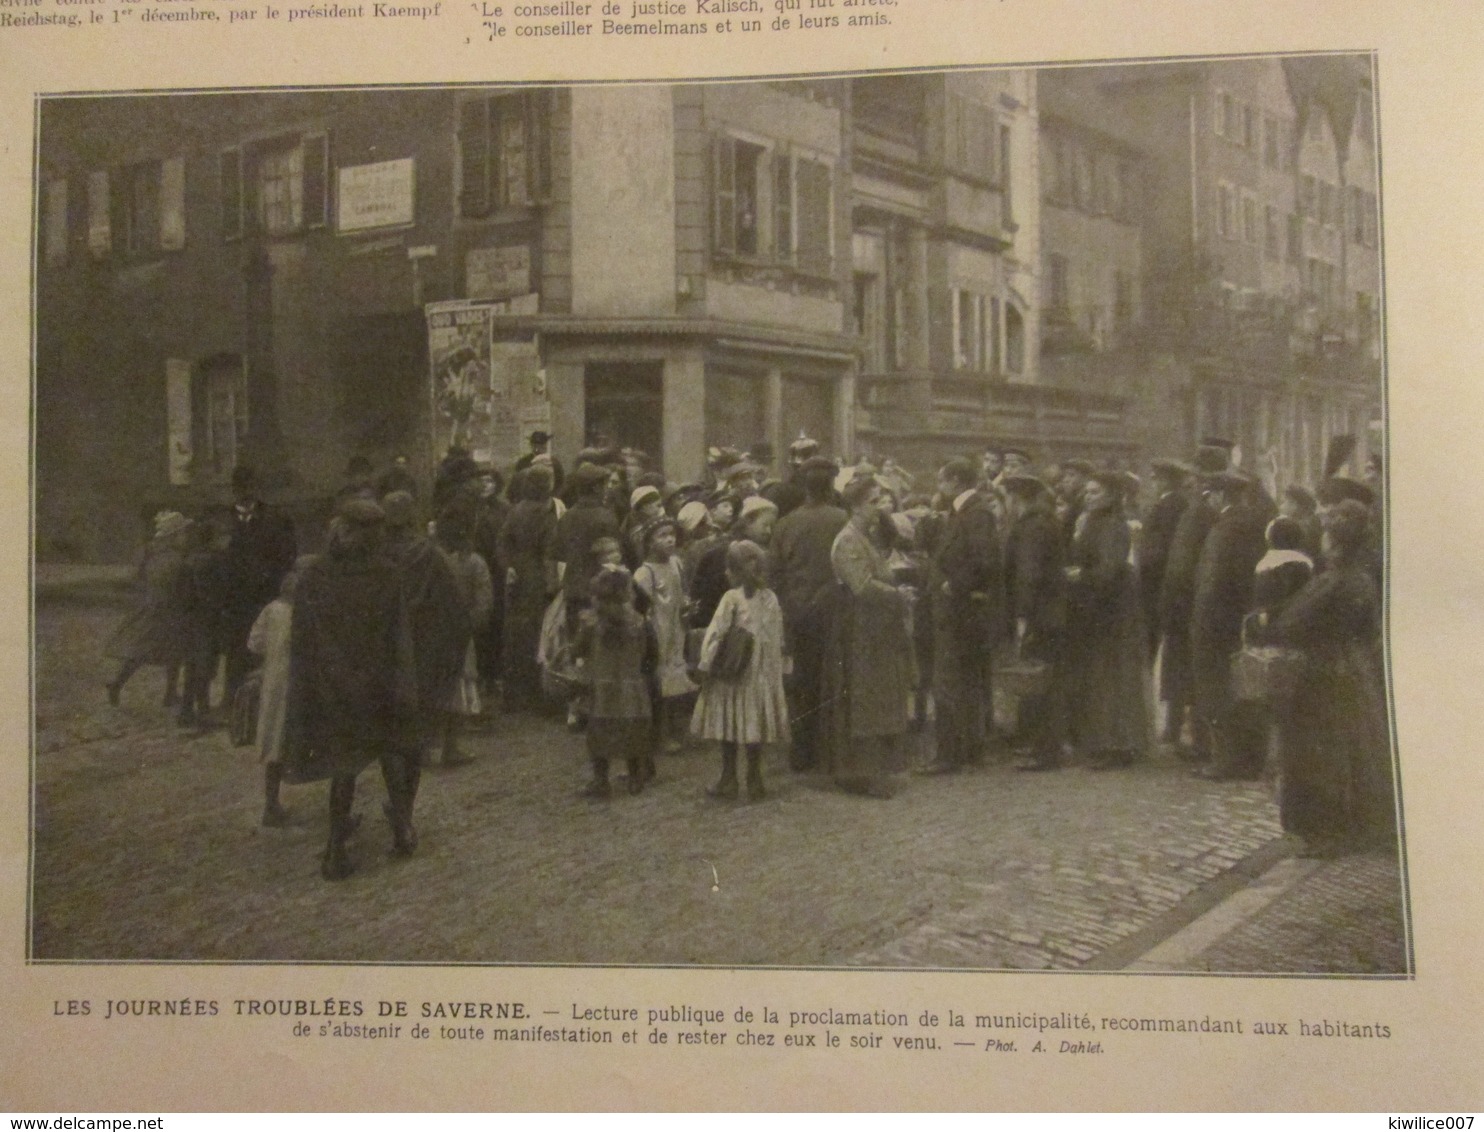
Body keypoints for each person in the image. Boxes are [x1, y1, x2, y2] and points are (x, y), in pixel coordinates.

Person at [282, 499, 418, 881]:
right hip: (380, 682)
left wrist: (310, 684)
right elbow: (399, 635)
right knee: (391, 752)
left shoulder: (315, 575)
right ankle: (404, 830)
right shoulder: (389, 574)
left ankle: (335, 851)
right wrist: (403, 683)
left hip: (334, 686)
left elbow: (303, 639)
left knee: (344, 768)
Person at [1251, 500, 1395, 857]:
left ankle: (1331, 831)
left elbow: (1292, 624)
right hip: (1353, 670)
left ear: (1335, 542)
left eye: (1327, 535)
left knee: (1322, 754)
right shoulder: (1360, 578)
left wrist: (1261, 624)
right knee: (1357, 748)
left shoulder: (1332, 581)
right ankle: (1361, 824)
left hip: (1323, 675)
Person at [821, 473, 914, 798]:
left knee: (876, 697)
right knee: (864, 699)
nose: (879, 508)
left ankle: (873, 771)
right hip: (858, 631)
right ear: (857, 507)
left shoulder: (865, 537)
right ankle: (861, 773)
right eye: (873, 502)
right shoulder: (847, 540)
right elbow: (861, 585)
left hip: (873, 629)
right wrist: (898, 594)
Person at [920, 458, 1002, 774]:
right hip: (958, 611)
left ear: (954, 481)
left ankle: (950, 754)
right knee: (962, 681)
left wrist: (953, 583)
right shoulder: (965, 513)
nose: (938, 487)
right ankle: (966, 748)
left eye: (940, 481)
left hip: (959, 611)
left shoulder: (976, 514)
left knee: (950, 681)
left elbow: (986, 561)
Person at [766, 456, 848, 772]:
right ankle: (833, 749)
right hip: (837, 610)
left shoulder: (786, 524)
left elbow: (774, 573)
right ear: (830, 486)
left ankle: (803, 752)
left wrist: (789, 607)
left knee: (803, 682)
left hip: (800, 613)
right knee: (837, 678)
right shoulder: (843, 519)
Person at [1064, 471, 1150, 768]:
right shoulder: (1092, 523)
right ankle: (1105, 741)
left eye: (1095, 493)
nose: (1088, 498)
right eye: (1087, 492)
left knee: (1112, 676)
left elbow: (1109, 570)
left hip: (1112, 610)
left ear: (1112, 496)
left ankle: (1117, 745)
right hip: (1098, 607)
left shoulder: (1113, 526)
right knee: (1101, 676)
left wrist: (1080, 576)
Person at [690, 540, 788, 802]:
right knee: (753, 724)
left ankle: (728, 778)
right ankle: (754, 778)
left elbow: (716, 633)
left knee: (729, 724)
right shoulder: (770, 598)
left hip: (733, 673)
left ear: (736, 571)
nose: (725, 573)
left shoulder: (731, 599)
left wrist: (704, 664)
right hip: (760, 673)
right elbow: (777, 636)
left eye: (728, 569)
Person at [1189, 470, 1270, 781]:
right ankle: (1250, 759)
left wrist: (1201, 620)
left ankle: (1224, 760)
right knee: (1242, 689)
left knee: (1217, 688)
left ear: (1220, 496)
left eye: (1210, 495)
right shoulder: (1253, 521)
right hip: (1240, 618)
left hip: (1215, 620)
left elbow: (1212, 579)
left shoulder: (1224, 527)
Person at [1002, 474, 1069, 772]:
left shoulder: (1032, 527)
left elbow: (1028, 575)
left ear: (1016, 498)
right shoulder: (1046, 521)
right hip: (1051, 612)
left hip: (1042, 615)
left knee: (1041, 681)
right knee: (1047, 680)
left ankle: (1046, 751)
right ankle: (1045, 747)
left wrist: (1022, 615)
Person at [574, 566, 659, 799]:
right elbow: (653, 655)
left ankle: (601, 781)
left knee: (598, 736)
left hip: (603, 689)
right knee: (632, 734)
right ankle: (635, 778)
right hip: (633, 688)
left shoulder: (591, 624)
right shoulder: (640, 622)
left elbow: (576, 649)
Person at [220, 464, 298, 710]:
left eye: (250, 488)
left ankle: (262, 702)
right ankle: (232, 699)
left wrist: (270, 577)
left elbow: (288, 554)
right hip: (233, 600)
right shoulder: (222, 520)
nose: (246, 494)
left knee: (262, 648)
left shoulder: (276, 519)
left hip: (264, 596)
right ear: (234, 491)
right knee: (235, 649)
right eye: (241, 489)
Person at [246, 557, 313, 828]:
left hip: (275, 682)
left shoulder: (272, 610)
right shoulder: (309, 613)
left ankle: (271, 803)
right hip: (302, 682)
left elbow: (255, 644)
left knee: (275, 740)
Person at [104, 511, 193, 707]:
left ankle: (122, 684)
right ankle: (122, 685)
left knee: (147, 650)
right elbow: (178, 584)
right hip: (168, 609)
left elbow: (137, 577)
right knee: (170, 650)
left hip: (151, 604)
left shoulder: (150, 551)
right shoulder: (175, 558)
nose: (185, 537)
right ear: (173, 536)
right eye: (182, 533)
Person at [497, 464, 561, 712]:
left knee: (515, 636)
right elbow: (550, 551)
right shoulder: (547, 513)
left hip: (517, 578)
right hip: (536, 579)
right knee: (539, 635)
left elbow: (502, 542)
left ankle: (513, 695)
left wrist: (508, 566)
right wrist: (552, 585)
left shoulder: (516, 510)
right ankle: (537, 695)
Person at [434, 507, 494, 766]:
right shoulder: (473, 562)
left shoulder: (432, 558)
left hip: (434, 631)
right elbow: (484, 599)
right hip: (459, 629)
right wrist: (472, 623)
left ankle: (435, 744)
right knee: (459, 684)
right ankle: (451, 745)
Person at [633, 518, 697, 754]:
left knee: (675, 677)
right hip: (656, 631)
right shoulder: (644, 573)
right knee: (659, 680)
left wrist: (687, 607)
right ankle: (660, 734)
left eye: (671, 534)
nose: (669, 539)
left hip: (675, 628)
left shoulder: (676, 564)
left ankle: (674, 729)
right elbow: (641, 609)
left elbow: (682, 592)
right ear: (650, 542)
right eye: (662, 535)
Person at [689, 494, 778, 630]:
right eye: (764, 525)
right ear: (748, 522)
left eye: (772, 526)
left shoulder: (761, 551)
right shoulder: (727, 552)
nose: (769, 531)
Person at [1138, 459, 1191, 658]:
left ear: (1167, 481)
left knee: (1156, 630)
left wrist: (1144, 562)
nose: (1152, 483)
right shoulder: (1172, 503)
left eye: (1155, 479)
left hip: (1158, 578)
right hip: (1159, 576)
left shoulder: (1170, 506)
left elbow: (1162, 545)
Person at [513, 430, 565, 495]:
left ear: (545, 446)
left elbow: (560, 484)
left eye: (541, 446)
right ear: (531, 445)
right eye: (535, 446)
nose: (537, 449)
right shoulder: (523, 462)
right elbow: (517, 483)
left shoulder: (554, 463)